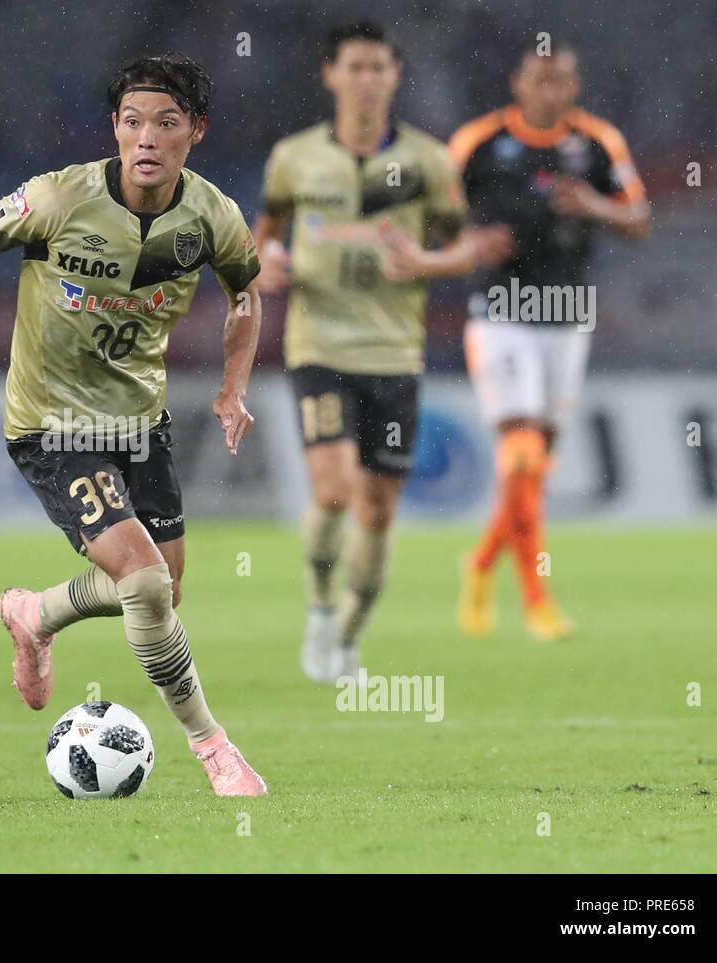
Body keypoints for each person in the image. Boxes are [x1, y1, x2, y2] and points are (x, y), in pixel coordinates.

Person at [0, 53, 268, 796]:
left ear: (195, 132)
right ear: (114, 126)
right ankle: (214, 748)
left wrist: (234, 387)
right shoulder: (55, 199)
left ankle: (35, 614)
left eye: (166, 124)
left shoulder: (213, 218)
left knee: (164, 587)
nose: (146, 138)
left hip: (140, 421)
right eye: (132, 121)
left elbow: (246, 295)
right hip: (52, 423)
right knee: (142, 582)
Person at [251, 22, 476, 683]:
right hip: (319, 345)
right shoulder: (294, 158)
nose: (367, 79)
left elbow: (464, 245)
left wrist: (428, 260)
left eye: (379, 67)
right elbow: (259, 238)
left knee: (378, 507)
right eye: (355, 67)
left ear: (395, 75)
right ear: (331, 75)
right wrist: (263, 262)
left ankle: (347, 633)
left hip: (394, 354)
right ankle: (320, 608)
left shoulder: (428, 161)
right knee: (335, 488)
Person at [450, 41, 651, 641]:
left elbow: (639, 219)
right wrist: (469, 245)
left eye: (562, 80)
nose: (551, 90)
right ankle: (538, 599)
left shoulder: (595, 143)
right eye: (541, 79)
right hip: (500, 314)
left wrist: (594, 205)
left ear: (575, 85)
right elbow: (432, 214)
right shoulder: (479, 143)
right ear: (519, 82)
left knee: (534, 471)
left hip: (567, 317)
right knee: (522, 454)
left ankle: (481, 562)